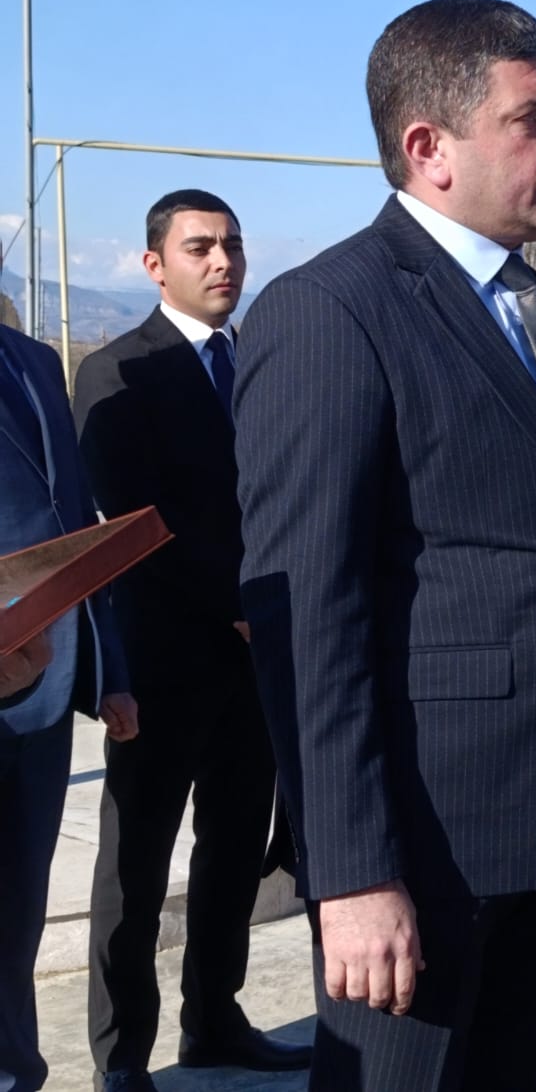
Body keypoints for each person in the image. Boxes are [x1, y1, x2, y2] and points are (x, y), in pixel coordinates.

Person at [234, 0, 536, 1092]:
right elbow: (307, 618)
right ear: (430, 148)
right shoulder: (330, 313)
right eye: (534, 118)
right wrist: (351, 874)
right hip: (424, 847)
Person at [73, 190, 311, 1092]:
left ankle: (215, 1021)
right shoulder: (118, 369)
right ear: (154, 264)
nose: (223, 263)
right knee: (135, 865)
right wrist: (236, 598)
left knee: (235, 849)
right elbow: (136, 516)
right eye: (201, 247)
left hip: (257, 657)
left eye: (233, 246)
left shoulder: (262, 362)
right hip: (163, 658)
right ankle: (121, 1056)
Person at [0, 319, 135, 1092]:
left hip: (45, 688)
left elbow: (74, 520)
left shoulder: (32, 360)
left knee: (16, 919)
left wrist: (108, 668)